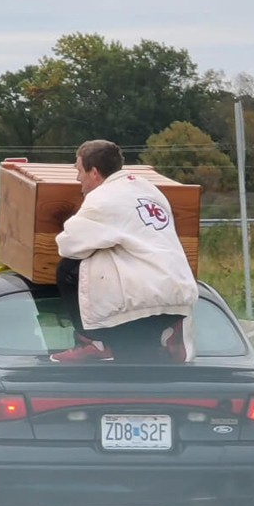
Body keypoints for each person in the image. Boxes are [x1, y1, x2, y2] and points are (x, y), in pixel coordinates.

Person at [51, 139, 198, 363]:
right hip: (177, 293)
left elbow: (69, 244)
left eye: (79, 170)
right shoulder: (149, 189)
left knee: (68, 267)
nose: (78, 178)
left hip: (141, 299)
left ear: (94, 172)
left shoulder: (104, 198)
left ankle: (94, 341)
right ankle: (170, 334)